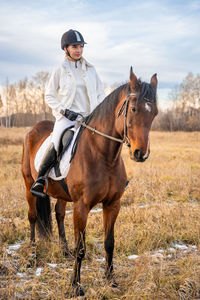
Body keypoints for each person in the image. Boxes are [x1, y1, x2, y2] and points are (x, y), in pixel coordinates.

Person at [30, 29, 105, 197]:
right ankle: (41, 179)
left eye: (81, 46)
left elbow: (101, 94)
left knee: (107, 141)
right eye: (74, 46)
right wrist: (63, 110)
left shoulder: (91, 70)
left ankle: (114, 178)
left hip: (89, 118)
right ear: (65, 48)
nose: (78, 50)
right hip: (67, 118)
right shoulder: (59, 70)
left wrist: (100, 112)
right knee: (59, 142)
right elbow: (49, 95)